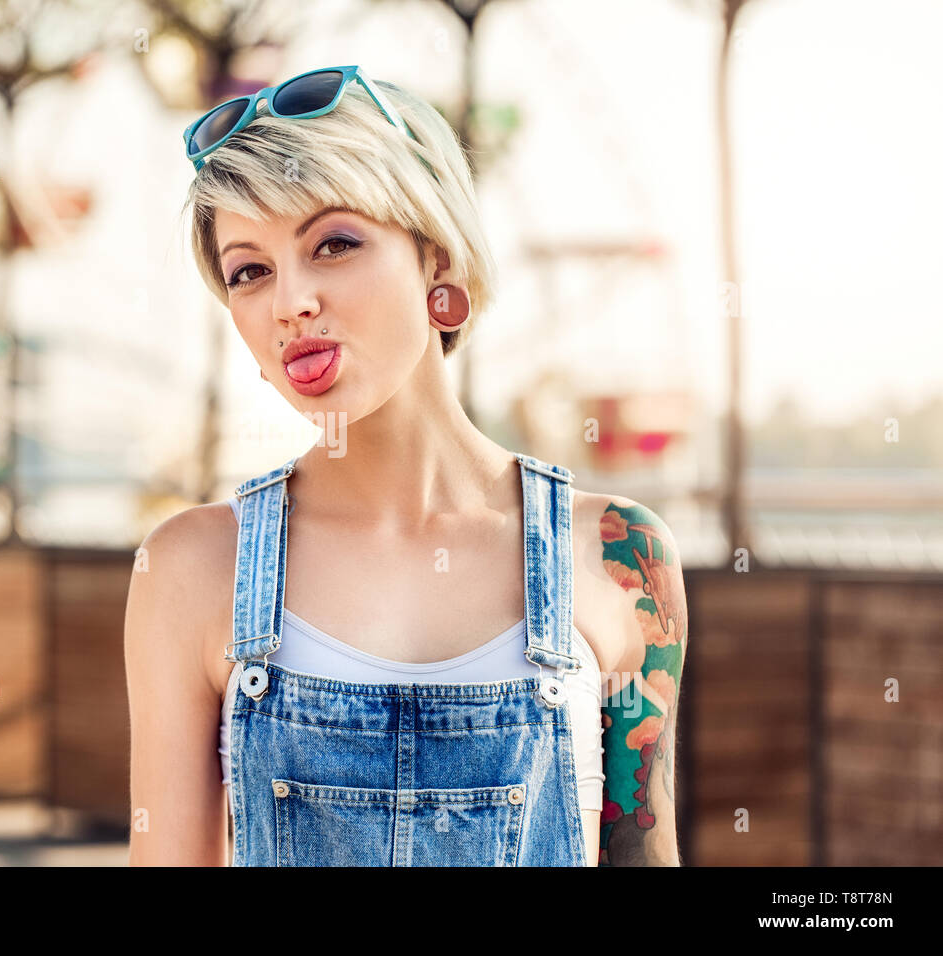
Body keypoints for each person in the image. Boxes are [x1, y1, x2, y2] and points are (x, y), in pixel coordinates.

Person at [125, 65, 689, 866]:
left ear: (439, 263)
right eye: (250, 271)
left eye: (335, 244)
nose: (289, 303)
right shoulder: (191, 568)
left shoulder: (618, 557)